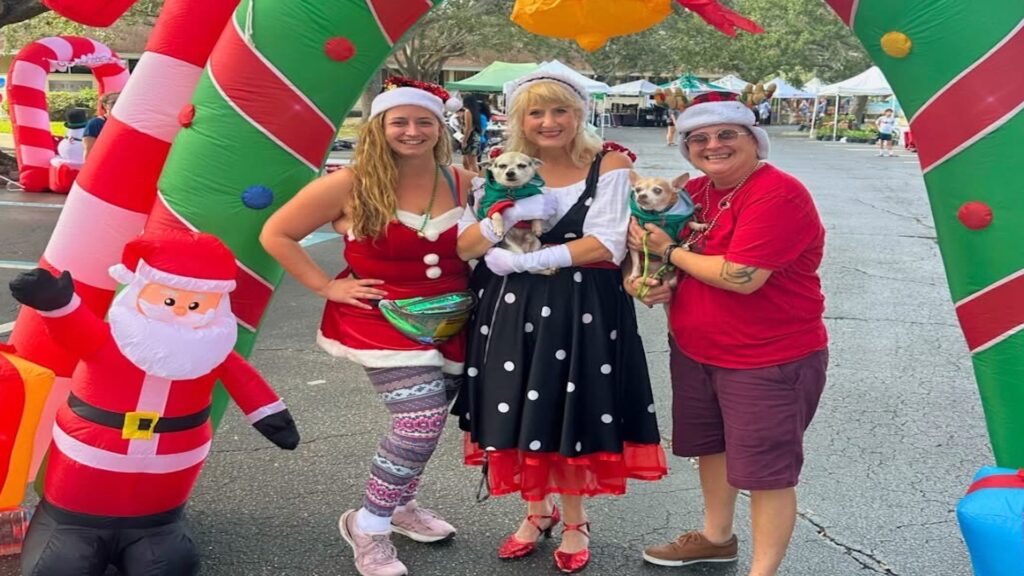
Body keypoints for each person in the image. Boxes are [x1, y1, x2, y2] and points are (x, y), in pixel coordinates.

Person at [453, 70, 668, 574]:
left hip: (581, 308)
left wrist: (523, 260)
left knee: (569, 408)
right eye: (536, 112)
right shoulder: (497, 170)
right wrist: (494, 225)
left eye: (560, 111)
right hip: (508, 306)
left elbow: (607, 243)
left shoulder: (608, 162)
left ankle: (575, 520)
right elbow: (467, 246)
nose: (549, 122)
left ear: (579, 113)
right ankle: (536, 513)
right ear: (519, 119)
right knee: (519, 406)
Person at [261, 77, 473, 576]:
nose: (412, 130)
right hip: (380, 318)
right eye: (399, 121)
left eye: (424, 121)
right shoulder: (350, 182)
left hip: (455, 317)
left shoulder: (461, 179)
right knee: (417, 421)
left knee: (430, 423)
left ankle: (401, 505)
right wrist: (326, 286)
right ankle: (369, 525)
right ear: (379, 127)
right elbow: (277, 233)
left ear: (440, 128)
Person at [625, 91, 828, 576]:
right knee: (712, 448)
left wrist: (669, 251)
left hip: (765, 359)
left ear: (754, 140)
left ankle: (763, 571)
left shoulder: (777, 192)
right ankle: (716, 539)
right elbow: (665, 254)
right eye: (699, 138)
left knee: (766, 472)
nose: (712, 145)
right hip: (697, 351)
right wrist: (646, 281)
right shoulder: (697, 192)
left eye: (726, 134)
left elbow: (743, 275)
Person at [82, 91, 119, 159]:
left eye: (120, 101)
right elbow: (88, 151)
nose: (118, 104)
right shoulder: (95, 124)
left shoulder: (126, 123)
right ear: (105, 105)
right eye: (113, 103)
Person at [460, 94, 484, 173]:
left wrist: (464, 140)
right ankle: (469, 176)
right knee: (467, 162)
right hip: (474, 137)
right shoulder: (475, 112)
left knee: (471, 163)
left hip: (471, 138)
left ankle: (474, 179)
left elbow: (468, 128)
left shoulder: (467, 111)